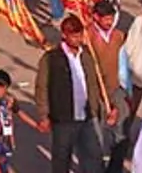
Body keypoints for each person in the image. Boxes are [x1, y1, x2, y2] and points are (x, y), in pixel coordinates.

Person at [35, 15, 112, 173]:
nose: (78, 39)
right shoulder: (51, 59)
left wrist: (107, 105)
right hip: (63, 118)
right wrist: (44, 115)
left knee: (94, 157)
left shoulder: (87, 56)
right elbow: (41, 88)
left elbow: (96, 83)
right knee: (62, 159)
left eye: (80, 35)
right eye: (74, 36)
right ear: (64, 35)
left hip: (88, 116)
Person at [88, 0, 130, 172]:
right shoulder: (88, 37)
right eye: (106, 19)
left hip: (116, 89)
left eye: (111, 18)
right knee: (95, 134)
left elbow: (125, 64)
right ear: (96, 17)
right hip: (95, 92)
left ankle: (115, 168)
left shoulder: (119, 36)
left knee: (121, 132)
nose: (109, 22)